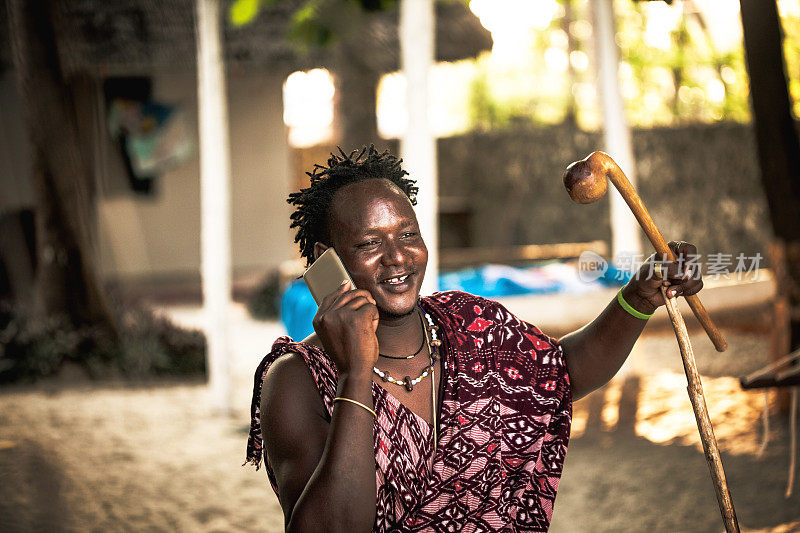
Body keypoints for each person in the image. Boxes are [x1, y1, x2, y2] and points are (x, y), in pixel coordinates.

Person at [245, 146, 703, 532]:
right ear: (329, 263)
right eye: (369, 243)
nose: (398, 256)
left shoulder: (469, 322)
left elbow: (562, 374)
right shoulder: (294, 381)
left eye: (408, 234)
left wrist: (639, 296)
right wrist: (356, 370)